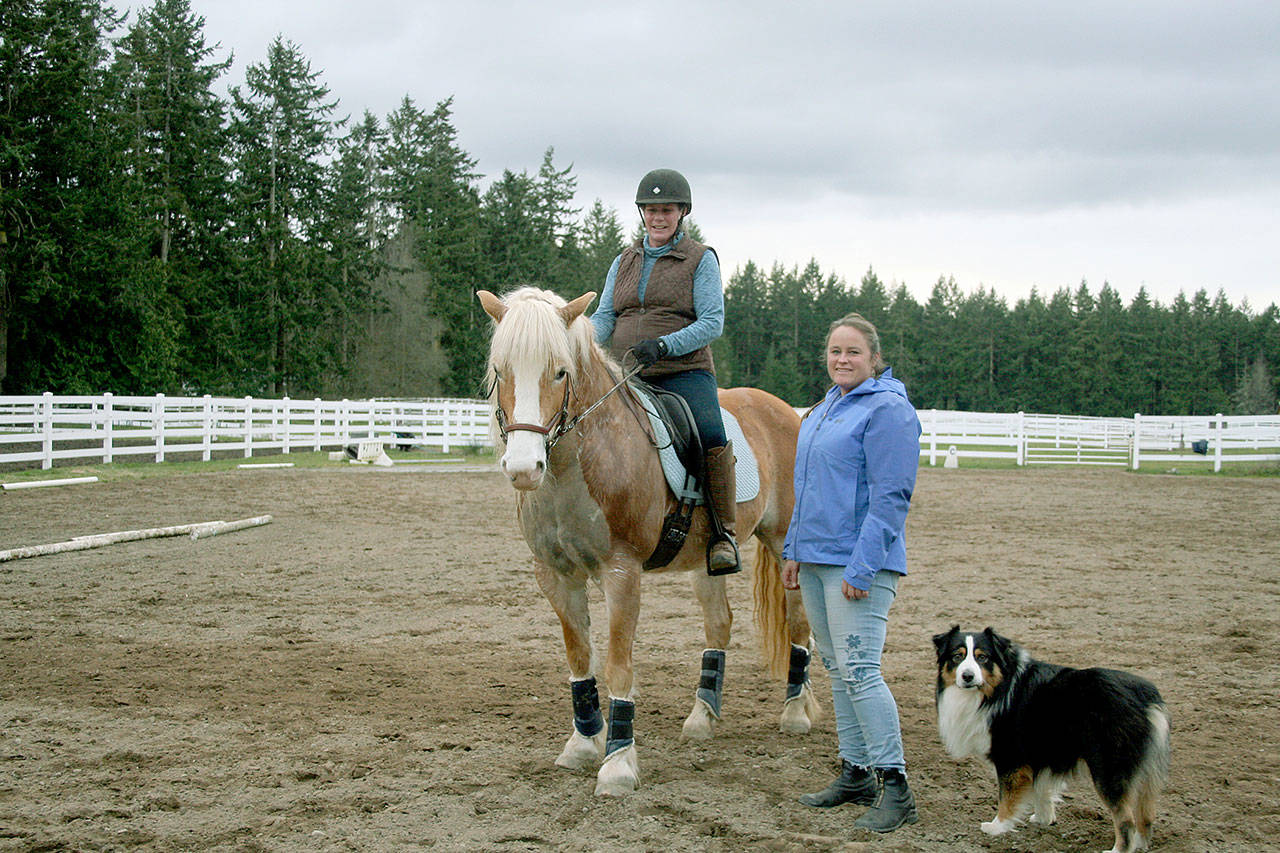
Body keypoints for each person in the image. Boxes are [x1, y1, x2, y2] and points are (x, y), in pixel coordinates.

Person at [781, 312, 922, 832]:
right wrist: (793, 549)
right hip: (816, 559)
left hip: (858, 564)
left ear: (874, 357)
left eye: (853, 352)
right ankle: (856, 771)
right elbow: (807, 483)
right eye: (835, 351)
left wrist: (863, 567)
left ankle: (896, 785)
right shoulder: (825, 408)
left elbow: (891, 498)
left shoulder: (888, 411)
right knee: (839, 671)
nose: (842, 359)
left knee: (862, 672)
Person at [589, 168, 740, 575]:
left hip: (683, 371)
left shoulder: (700, 259)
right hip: (624, 371)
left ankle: (723, 534)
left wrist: (664, 345)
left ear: (681, 213)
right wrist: (581, 341)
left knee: (710, 433)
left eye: (666, 210)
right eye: (651, 210)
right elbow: (605, 315)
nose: (658, 217)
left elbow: (712, 322)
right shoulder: (623, 260)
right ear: (642, 213)